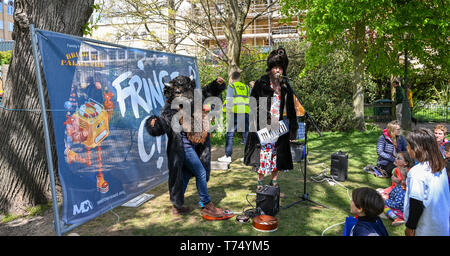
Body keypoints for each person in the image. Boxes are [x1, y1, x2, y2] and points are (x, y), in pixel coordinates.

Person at [145, 75, 229, 218]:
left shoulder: (193, 101)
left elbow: (207, 92)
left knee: (184, 175)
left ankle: (177, 207)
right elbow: (162, 124)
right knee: (200, 172)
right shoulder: (170, 109)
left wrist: (216, 84)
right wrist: (154, 124)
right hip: (182, 148)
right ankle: (207, 204)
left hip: (195, 146)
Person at [243, 47, 298, 192]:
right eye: (275, 67)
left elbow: (291, 108)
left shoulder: (285, 85)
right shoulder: (262, 82)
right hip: (263, 125)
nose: (277, 70)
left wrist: (293, 128)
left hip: (278, 126)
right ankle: (260, 181)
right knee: (262, 154)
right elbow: (252, 103)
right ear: (270, 68)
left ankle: (274, 181)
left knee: (276, 154)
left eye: (279, 67)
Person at [403, 128, 450, 236]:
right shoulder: (439, 166)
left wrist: (410, 227)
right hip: (441, 224)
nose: (407, 148)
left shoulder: (417, 172)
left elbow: (417, 203)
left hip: (426, 227)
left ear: (417, 149)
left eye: (408, 146)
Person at [218, 71, 250, 163]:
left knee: (230, 134)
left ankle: (228, 156)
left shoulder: (231, 86)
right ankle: (247, 157)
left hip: (235, 112)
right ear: (240, 78)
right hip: (245, 112)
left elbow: (229, 99)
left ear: (232, 78)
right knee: (246, 135)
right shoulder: (246, 87)